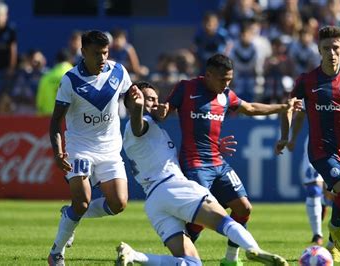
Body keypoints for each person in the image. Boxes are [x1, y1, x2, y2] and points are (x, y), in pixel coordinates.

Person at [118, 81, 288, 266]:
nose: (156, 103)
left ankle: (134, 256)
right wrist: (137, 109)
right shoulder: (141, 125)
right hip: (172, 187)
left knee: (192, 263)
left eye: (156, 99)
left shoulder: (146, 132)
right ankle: (254, 249)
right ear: (132, 102)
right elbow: (138, 126)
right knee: (223, 221)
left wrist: (213, 146)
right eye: (149, 99)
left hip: (154, 202)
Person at [165, 54, 299, 265]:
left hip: (218, 162)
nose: (226, 84)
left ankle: (230, 259)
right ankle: (183, 257)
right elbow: (165, 112)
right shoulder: (186, 88)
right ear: (208, 75)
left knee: (244, 208)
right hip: (195, 165)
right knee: (200, 218)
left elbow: (251, 108)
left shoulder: (226, 95)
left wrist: (283, 108)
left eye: (229, 80)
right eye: (222, 79)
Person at [275, 25, 340, 262]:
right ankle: (331, 229)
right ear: (319, 50)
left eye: (335, 48)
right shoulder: (307, 80)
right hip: (320, 150)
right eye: (326, 48)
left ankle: (332, 247)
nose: (331, 53)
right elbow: (289, 108)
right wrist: (285, 136)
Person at [47, 30, 132, 266]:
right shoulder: (70, 80)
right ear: (83, 52)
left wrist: (139, 103)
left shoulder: (118, 71)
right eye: (97, 53)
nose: (103, 58)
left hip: (110, 149)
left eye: (105, 52)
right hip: (80, 148)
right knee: (83, 201)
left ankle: (70, 215)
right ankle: (56, 253)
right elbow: (55, 121)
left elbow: (129, 96)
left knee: (118, 204)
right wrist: (58, 151)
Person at [277, 102, 340, 262]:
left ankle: (332, 246)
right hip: (316, 147)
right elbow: (299, 116)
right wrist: (291, 138)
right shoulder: (312, 85)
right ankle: (317, 235)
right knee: (314, 190)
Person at [36, 49, 73, 116]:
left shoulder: (46, 77)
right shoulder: (76, 76)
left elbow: (39, 103)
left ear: (56, 61)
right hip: (71, 119)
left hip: (49, 118)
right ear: (70, 60)